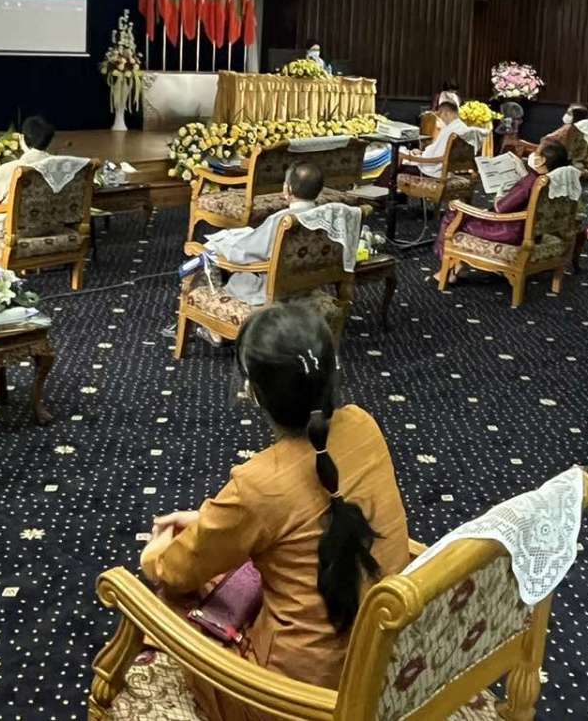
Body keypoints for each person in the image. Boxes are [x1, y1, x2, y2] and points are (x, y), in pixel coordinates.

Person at [140, 303, 409, 721]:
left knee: (166, 598)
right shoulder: (363, 424)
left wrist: (154, 555)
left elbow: (176, 572)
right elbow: (313, 519)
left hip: (290, 699)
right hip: (381, 660)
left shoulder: (259, 484)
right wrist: (210, 524)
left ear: (253, 391)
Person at [201, 161, 332, 306]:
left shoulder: (282, 220)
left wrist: (219, 242)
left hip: (270, 289)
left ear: (287, 189)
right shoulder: (330, 216)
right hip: (309, 285)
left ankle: (210, 298)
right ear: (319, 190)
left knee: (210, 249)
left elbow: (243, 253)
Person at [434, 141, 570, 279]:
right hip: (534, 233)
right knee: (468, 215)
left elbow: (501, 208)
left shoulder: (531, 181)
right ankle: (457, 265)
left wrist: (499, 196)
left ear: (542, 161)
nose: (533, 154)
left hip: (509, 232)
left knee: (454, 214)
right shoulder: (558, 181)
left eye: (536, 152)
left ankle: (447, 270)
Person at [0, 115, 56, 236]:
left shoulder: (14, 168)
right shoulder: (60, 167)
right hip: (49, 227)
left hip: (14, 230)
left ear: (22, 138)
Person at [398, 98, 469, 177]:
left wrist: (415, 156)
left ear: (446, 113)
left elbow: (436, 157)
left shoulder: (449, 131)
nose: (440, 118)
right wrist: (422, 153)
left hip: (433, 171)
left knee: (397, 156)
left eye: (440, 114)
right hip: (449, 170)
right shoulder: (463, 128)